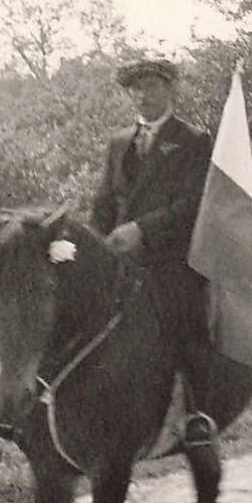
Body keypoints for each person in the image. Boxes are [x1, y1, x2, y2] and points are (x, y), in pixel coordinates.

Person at [91, 58, 218, 448]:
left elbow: (193, 204)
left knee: (183, 317)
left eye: (152, 87)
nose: (144, 96)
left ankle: (197, 412)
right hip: (122, 259)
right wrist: (97, 242)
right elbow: (104, 201)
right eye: (137, 89)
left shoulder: (193, 140)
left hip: (171, 257)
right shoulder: (118, 143)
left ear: (170, 90)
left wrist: (142, 230)